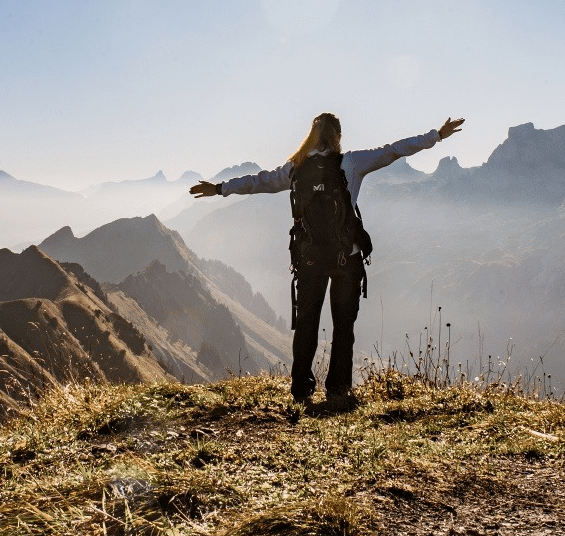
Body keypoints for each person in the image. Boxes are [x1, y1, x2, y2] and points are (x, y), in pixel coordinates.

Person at [190, 113, 464, 408]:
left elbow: (258, 182)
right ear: (337, 136)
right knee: (343, 326)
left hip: (309, 259)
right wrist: (435, 135)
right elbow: (394, 150)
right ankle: (337, 389)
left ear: (312, 135)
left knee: (307, 323)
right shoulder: (352, 163)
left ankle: (301, 390)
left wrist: (220, 188)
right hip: (347, 257)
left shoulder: (295, 169)